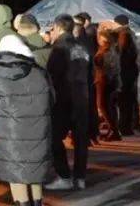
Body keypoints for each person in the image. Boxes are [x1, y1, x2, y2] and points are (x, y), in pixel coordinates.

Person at [0, 35, 53, 206]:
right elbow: (52, 100)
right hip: (39, 134)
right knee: (35, 172)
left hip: (10, 137)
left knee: (17, 175)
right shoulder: (41, 74)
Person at [44, 15, 92, 191]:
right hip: (82, 98)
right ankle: (80, 177)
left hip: (63, 99)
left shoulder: (58, 48)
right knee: (80, 140)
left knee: (54, 138)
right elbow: (89, 75)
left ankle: (64, 175)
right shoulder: (83, 47)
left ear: (58, 28)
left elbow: (51, 76)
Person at [93, 29, 122, 141]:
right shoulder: (112, 49)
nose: (98, 39)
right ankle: (112, 129)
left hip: (104, 80)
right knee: (110, 106)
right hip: (112, 80)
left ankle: (114, 130)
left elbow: (102, 66)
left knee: (102, 105)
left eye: (99, 37)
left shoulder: (105, 50)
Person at [114, 15, 140, 135]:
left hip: (125, 73)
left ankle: (125, 126)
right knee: (130, 100)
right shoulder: (129, 34)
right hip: (130, 72)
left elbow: (122, 56)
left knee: (124, 100)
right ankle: (131, 125)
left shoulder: (123, 35)